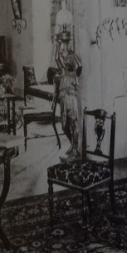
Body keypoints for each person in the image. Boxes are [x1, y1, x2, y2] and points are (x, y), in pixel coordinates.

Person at [55, 30, 82, 162]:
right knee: (64, 125)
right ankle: (72, 144)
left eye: (69, 61)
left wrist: (73, 53)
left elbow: (80, 65)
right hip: (63, 98)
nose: (66, 62)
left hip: (71, 98)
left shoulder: (75, 74)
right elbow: (56, 58)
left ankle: (75, 148)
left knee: (73, 123)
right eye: (66, 60)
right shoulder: (63, 71)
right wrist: (57, 44)